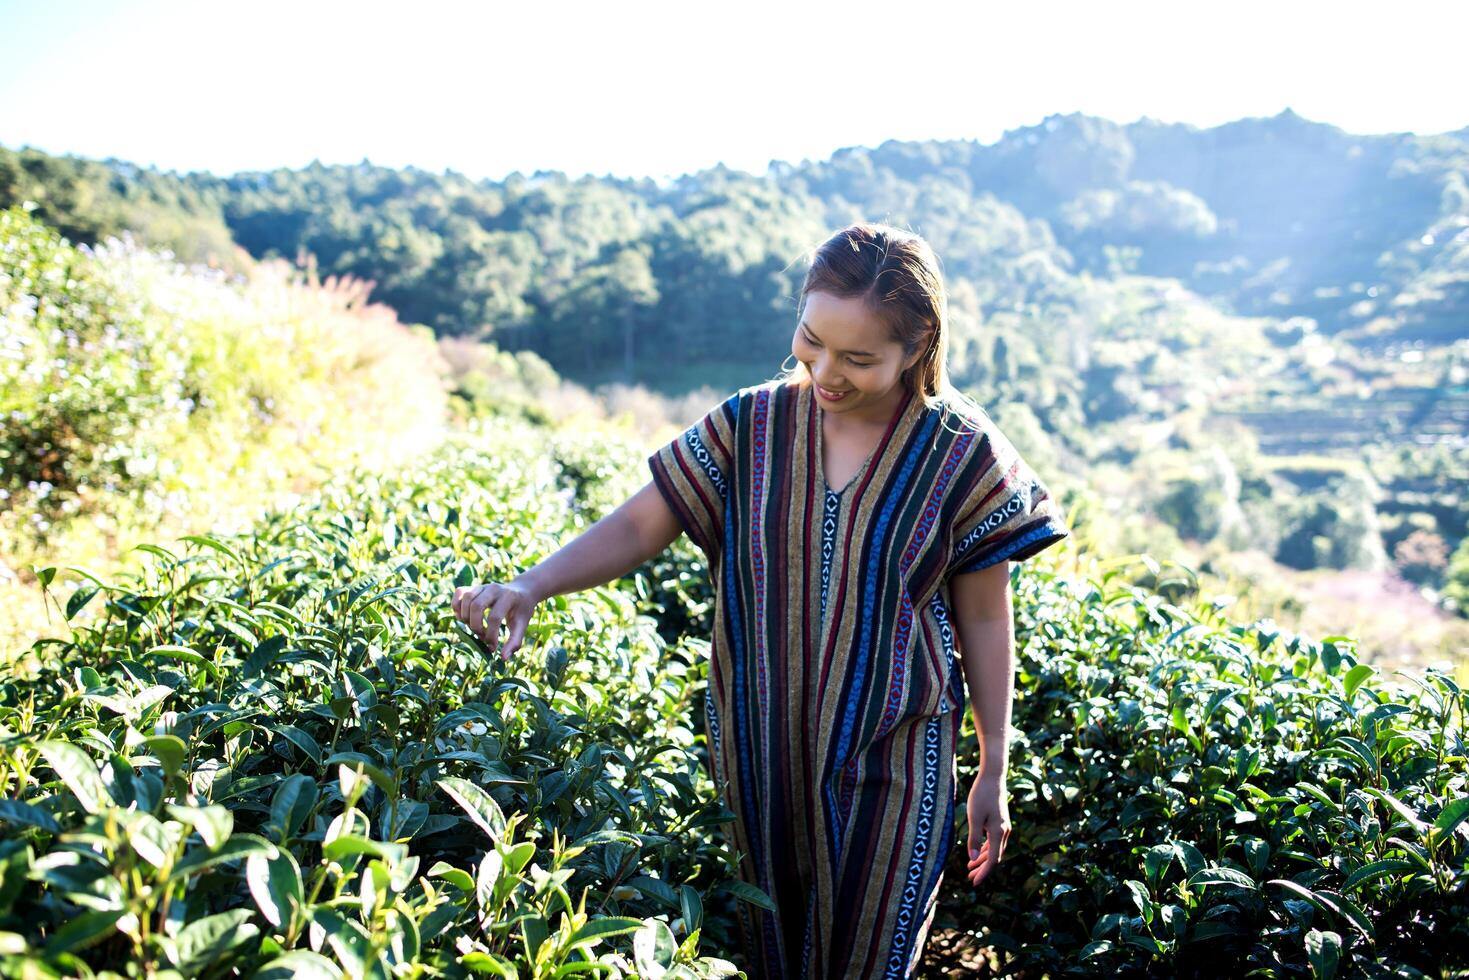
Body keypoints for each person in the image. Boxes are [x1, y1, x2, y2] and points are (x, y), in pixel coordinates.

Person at [451, 222, 1071, 979]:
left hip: (897, 754)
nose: (826, 371)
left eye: (859, 358)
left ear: (918, 348)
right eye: (811, 340)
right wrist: (531, 584)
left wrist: (993, 764)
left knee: (871, 961)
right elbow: (645, 519)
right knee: (776, 957)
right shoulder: (753, 423)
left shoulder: (961, 453)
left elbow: (981, 612)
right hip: (760, 751)